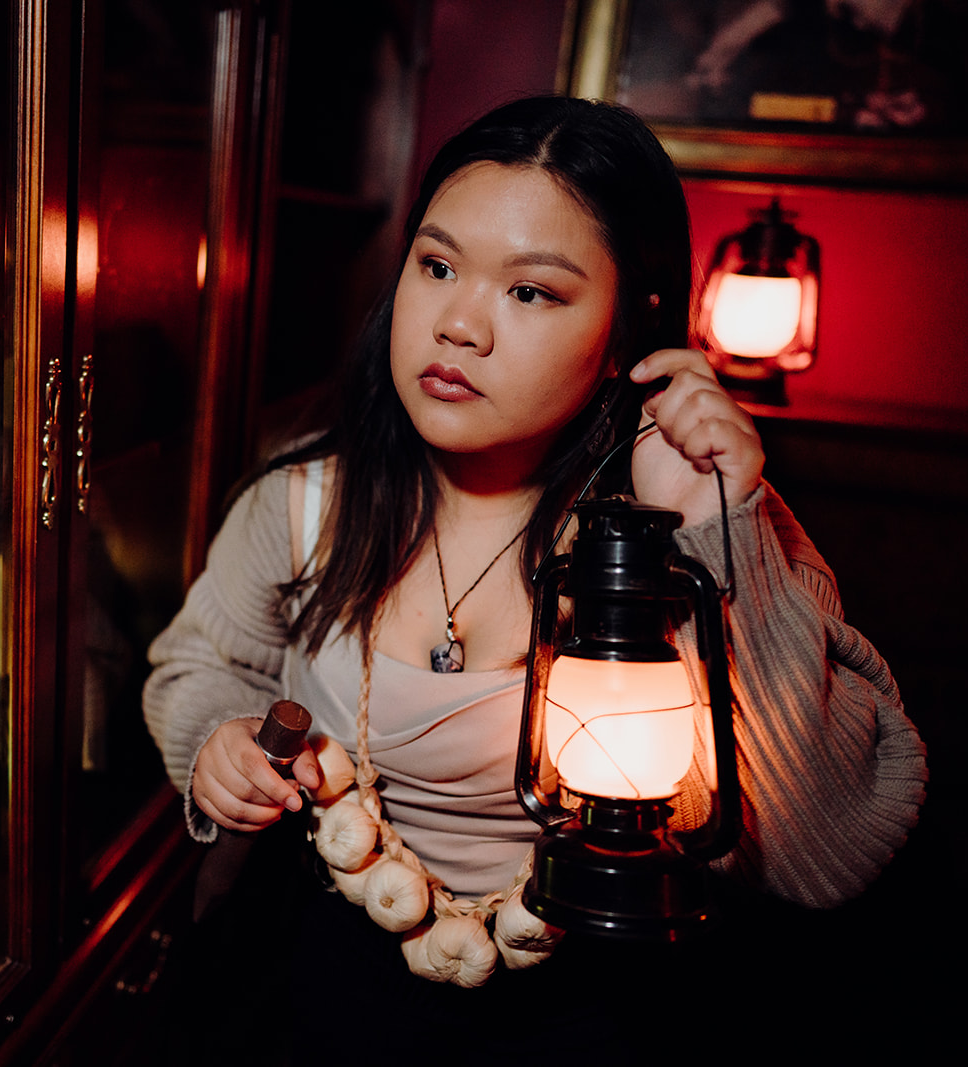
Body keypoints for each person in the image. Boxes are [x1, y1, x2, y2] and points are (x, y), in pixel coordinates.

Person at [143, 95, 926, 1062]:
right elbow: (197, 666)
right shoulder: (306, 503)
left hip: (604, 1006)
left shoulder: (702, 523)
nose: (459, 324)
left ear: (624, 334)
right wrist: (217, 745)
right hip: (319, 983)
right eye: (436, 266)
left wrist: (716, 531)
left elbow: (827, 854)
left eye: (531, 292)